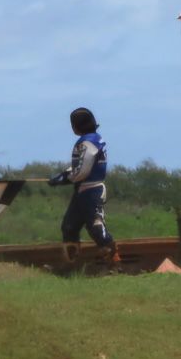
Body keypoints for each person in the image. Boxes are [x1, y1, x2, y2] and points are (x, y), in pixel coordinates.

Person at [48, 107, 118, 262]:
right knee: (69, 227)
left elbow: (82, 171)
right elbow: (79, 167)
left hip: (91, 191)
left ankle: (115, 263)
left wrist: (63, 179)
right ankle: (71, 265)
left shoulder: (88, 142)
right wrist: (63, 175)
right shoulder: (94, 139)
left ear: (77, 126)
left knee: (96, 227)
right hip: (82, 190)